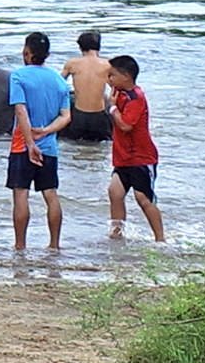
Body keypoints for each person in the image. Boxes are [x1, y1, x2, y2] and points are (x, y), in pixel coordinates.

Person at [7, 31, 72, 251]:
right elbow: (66, 116)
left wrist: (30, 143)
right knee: (51, 194)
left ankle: (20, 246)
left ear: (27, 52)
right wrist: (45, 132)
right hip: (50, 147)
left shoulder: (18, 76)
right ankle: (54, 245)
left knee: (20, 194)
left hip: (22, 145)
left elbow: (20, 110)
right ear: (47, 54)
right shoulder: (59, 81)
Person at [104, 54, 165, 241]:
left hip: (141, 157)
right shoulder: (119, 95)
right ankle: (117, 234)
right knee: (115, 192)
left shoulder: (135, 97)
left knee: (143, 198)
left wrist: (113, 108)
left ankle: (160, 239)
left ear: (126, 76)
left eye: (112, 76)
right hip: (123, 157)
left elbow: (126, 125)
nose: (109, 80)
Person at [61, 30, 114, 144]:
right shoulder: (107, 65)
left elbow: (58, 84)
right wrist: (112, 104)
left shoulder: (72, 64)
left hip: (79, 116)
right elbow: (116, 88)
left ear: (80, 48)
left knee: (75, 145)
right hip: (99, 116)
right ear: (98, 47)